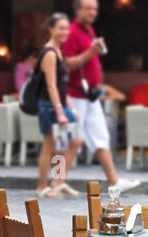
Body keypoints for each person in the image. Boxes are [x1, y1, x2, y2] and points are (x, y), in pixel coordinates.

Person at [61, 0, 139, 193]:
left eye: (95, 8)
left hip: (90, 95)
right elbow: (66, 63)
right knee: (67, 140)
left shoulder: (89, 31)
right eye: (88, 8)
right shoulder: (71, 31)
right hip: (75, 94)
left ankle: (114, 182)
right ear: (78, 10)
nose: (92, 12)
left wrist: (95, 52)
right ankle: (56, 182)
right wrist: (91, 52)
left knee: (100, 138)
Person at [35, 13, 82, 199]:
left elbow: (62, 87)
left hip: (60, 104)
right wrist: (61, 112)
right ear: (51, 29)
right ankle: (42, 187)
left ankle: (59, 181)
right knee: (50, 145)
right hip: (49, 106)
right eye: (60, 28)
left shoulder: (58, 51)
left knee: (72, 142)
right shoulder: (49, 53)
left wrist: (72, 108)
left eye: (66, 28)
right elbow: (51, 85)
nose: (65, 32)